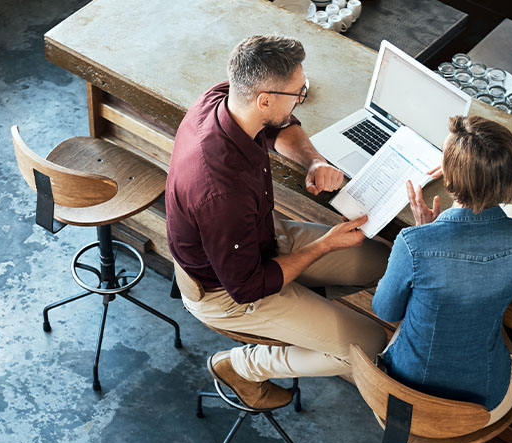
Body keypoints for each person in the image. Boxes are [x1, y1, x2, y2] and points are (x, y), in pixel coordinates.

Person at [166, 35, 390, 409]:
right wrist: (324, 246)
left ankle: (303, 309)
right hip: (228, 291)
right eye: (296, 93)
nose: (301, 98)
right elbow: (248, 287)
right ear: (264, 99)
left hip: (259, 238)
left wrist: (315, 161)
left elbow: (278, 126)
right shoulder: (221, 192)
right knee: (370, 344)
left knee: (381, 262)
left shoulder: (225, 98)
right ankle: (242, 366)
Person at [373, 115, 512, 425]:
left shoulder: (413, 244)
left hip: (405, 396)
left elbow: (385, 310)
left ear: (448, 178)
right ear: (511, 179)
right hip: (482, 405)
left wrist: (428, 232)